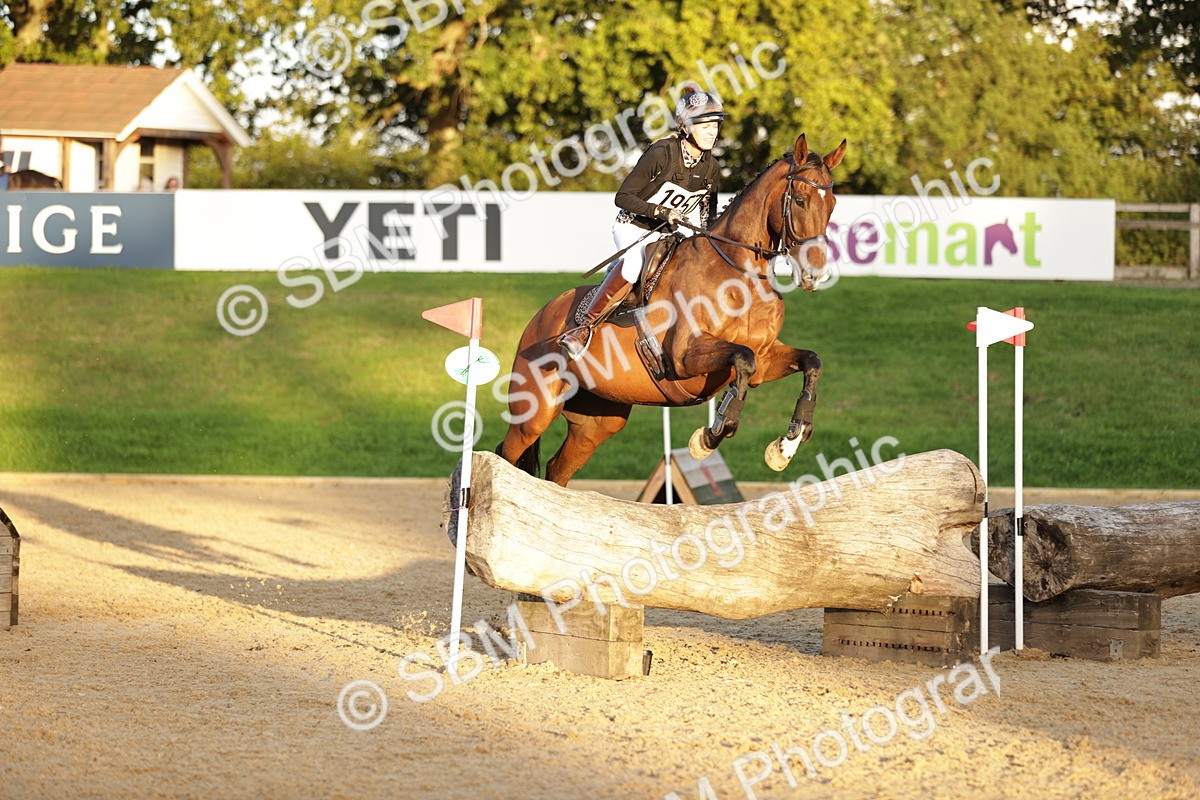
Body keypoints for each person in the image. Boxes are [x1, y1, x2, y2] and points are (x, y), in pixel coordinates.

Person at [558, 83, 726, 361]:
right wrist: (661, 212)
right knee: (635, 263)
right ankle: (584, 327)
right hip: (633, 227)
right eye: (704, 125)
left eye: (715, 126)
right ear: (685, 126)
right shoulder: (662, 153)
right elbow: (623, 197)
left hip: (670, 234)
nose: (712, 132)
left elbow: (708, 217)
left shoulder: (711, 168)